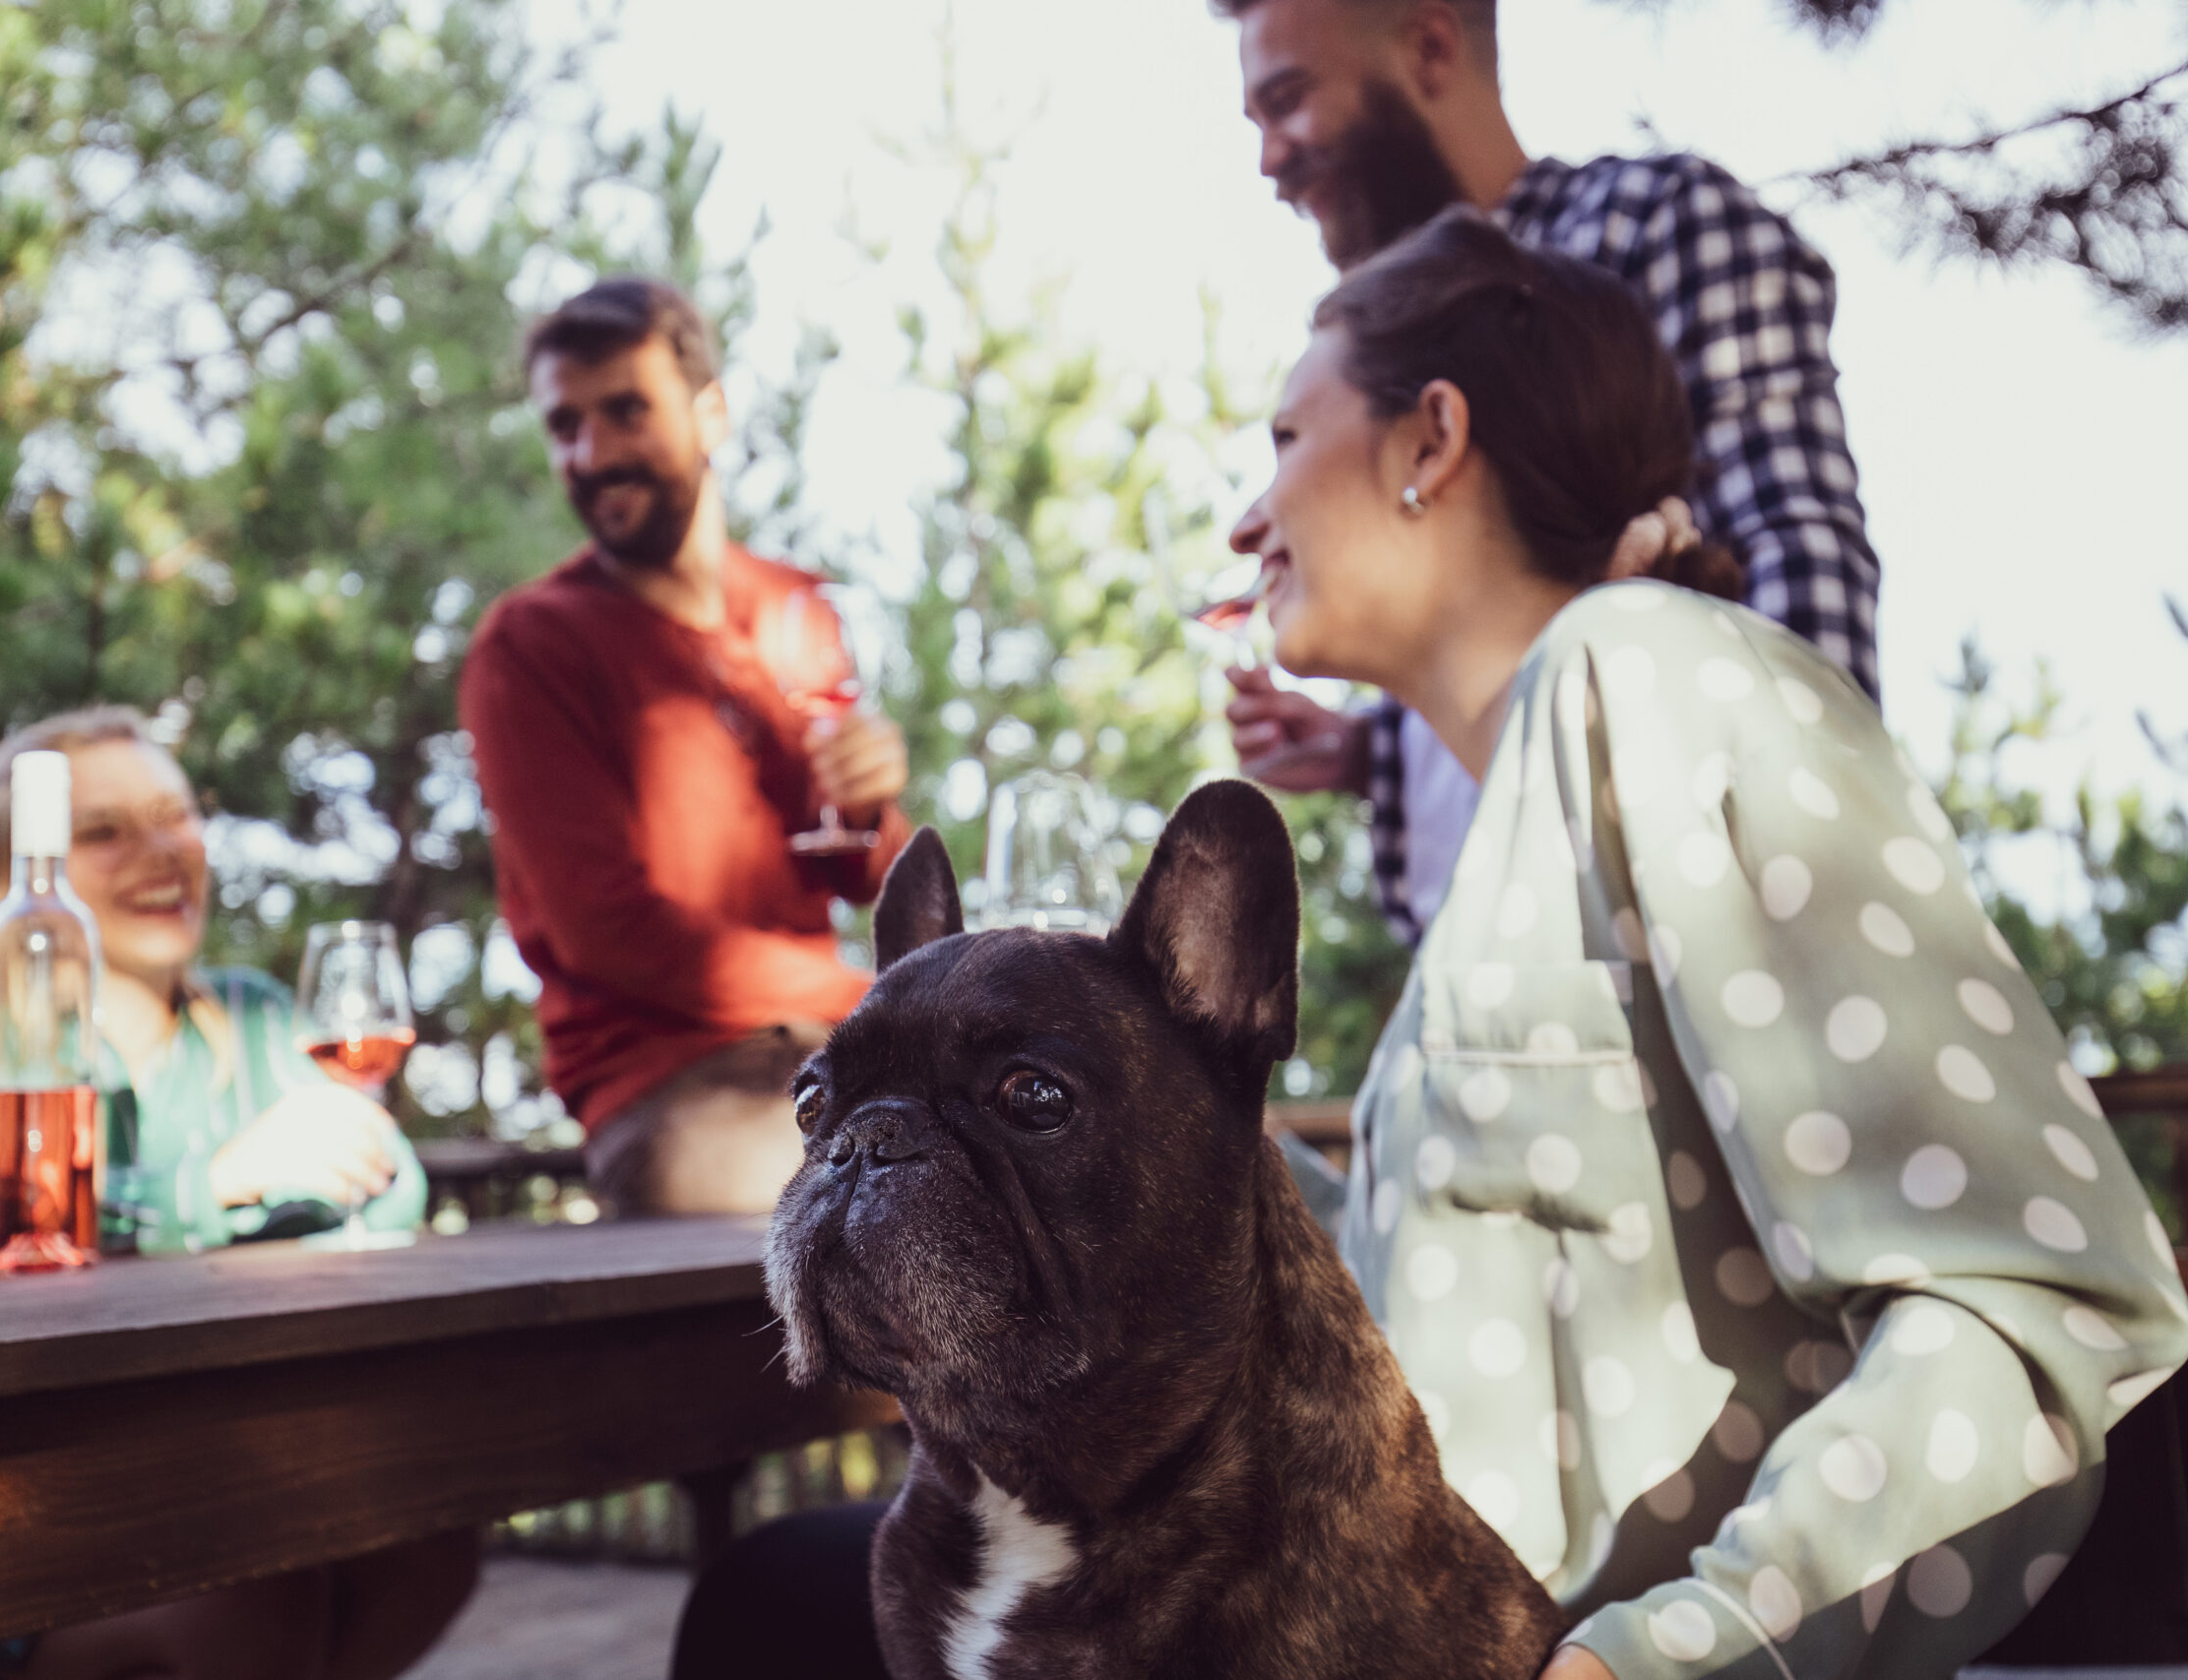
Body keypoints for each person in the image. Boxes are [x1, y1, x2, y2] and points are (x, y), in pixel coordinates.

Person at [672, 215, 2188, 1680]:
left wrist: (1672, 1649)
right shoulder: (1503, 823)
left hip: (1551, 1631)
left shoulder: (1654, 672)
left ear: (1429, 440)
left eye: (1280, 442)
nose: (1247, 516)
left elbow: (2035, 1301)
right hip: (1317, 1592)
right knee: (786, 1590)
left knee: (763, 1605)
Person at [1215, 0, 1883, 947]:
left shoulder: (1657, 226)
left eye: (1287, 100)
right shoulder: (1363, 351)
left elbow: (1790, 543)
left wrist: (1806, 864)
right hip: (1496, 948)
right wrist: (1376, 750)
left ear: (1430, 45)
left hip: (1687, 949)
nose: (1269, 158)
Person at [0, 707, 471, 1680]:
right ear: (26, 853)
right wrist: (220, 1190)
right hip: (11, 1538)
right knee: (258, 1585)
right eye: (104, 830)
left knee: (431, 1538)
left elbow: (389, 1195)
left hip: (228, 1473)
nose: (160, 851)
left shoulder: (259, 1020)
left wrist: (207, 1214)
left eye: (176, 816)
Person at [460, 277, 911, 1217]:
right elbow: (613, 933)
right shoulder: (531, 645)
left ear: (711, 412)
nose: (594, 452)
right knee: (868, 1205)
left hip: (842, 1055)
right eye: (565, 426)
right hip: (677, 1092)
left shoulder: (794, 607)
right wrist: (865, 991)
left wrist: (870, 806)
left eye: (627, 410)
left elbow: (871, 874)